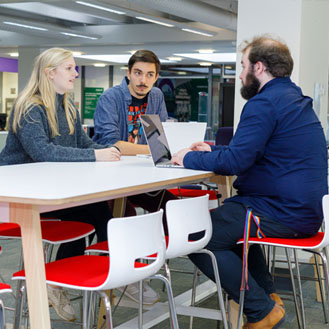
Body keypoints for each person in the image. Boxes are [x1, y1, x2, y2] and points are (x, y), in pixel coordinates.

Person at [172, 35, 328, 329]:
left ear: (258, 67)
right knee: (233, 215)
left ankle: (260, 311)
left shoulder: (264, 103)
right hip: (303, 212)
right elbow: (250, 152)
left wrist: (187, 159)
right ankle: (269, 297)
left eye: (242, 66)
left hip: (281, 212)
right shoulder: (294, 99)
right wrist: (212, 150)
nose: (240, 74)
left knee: (193, 235)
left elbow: (235, 163)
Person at [0, 47, 120, 322]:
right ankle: (61, 279)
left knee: (96, 211)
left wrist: (111, 152)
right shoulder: (29, 107)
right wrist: (95, 156)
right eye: (70, 68)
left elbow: (84, 144)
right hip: (22, 196)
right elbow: (43, 152)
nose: (75, 74)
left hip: (50, 190)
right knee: (93, 213)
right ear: (49, 73)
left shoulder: (67, 106)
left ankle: (66, 278)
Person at [93, 49, 177, 305]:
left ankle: (149, 261)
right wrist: (155, 148)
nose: (143, 80)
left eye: (150, 75)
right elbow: (111, 144)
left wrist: (159, 147)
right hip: (108, 177)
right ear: (128, 73)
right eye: (138, 73)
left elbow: (161, 140)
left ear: (156, 77)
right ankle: (126, 276)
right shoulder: (110, 98)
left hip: (140, 174)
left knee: (171, 207)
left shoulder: (156, 96)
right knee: (122, 217)